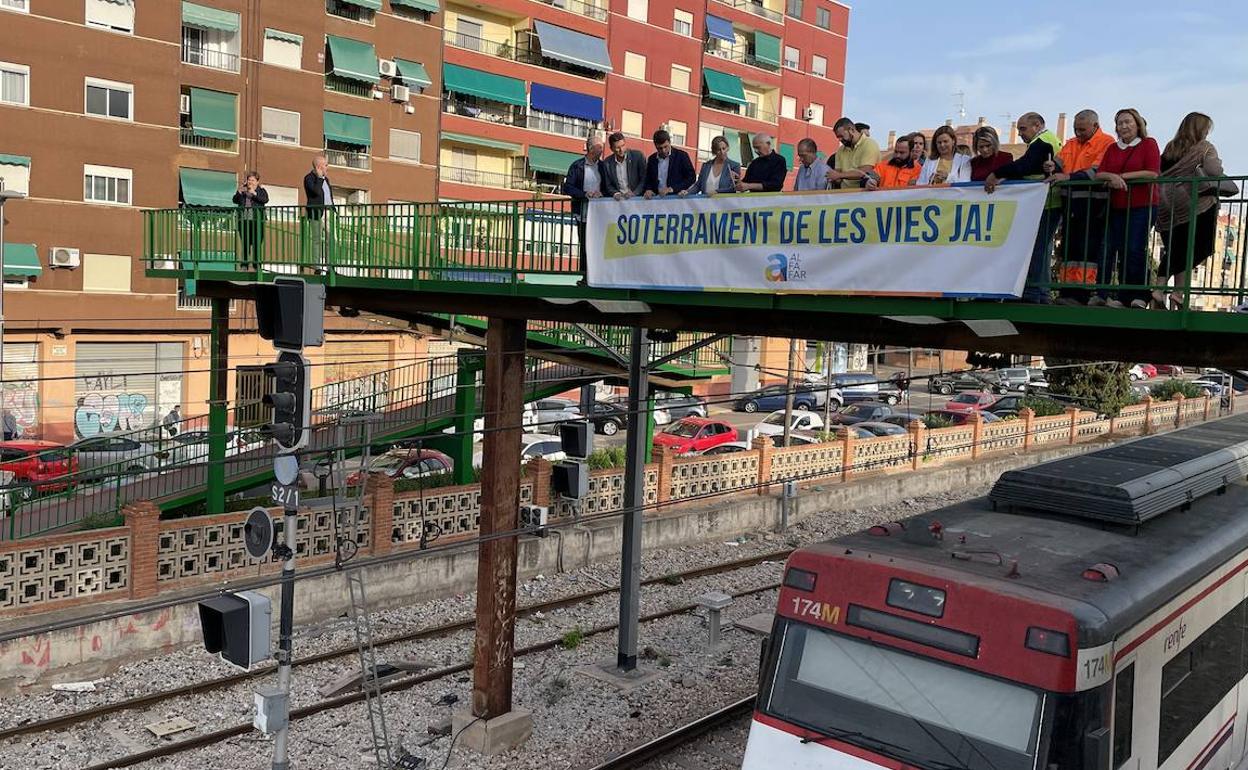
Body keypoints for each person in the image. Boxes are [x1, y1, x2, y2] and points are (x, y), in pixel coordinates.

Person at [984, 112, 1063, 304]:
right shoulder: (1047, 140)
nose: (1019, 133)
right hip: (1044, 201)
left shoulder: (1042, 141)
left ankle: (1036, 293)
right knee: (1041, 247)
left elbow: (1025, 166)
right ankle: (1038, 292)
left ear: (1037, 125)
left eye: (1022, 128)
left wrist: (997, 173)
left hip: (1046, 202)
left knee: (1039, 248)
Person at [1155, 112, 1224, 309]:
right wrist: (1219, 164)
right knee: (1203, 246)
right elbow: (1214, 171)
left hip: (1167, 203)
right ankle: (1172, 292)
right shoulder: (1205, 148)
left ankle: (1166, 291)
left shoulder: (1170, 147)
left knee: (1176, 248)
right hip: (1195, 203)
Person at [1046, 110, 1115, 305]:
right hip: (1071, 203)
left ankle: (1082, 294)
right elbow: (1058, 163)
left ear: (1095, 126)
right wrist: (1051, 166)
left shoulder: (1106, 142)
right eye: (1076, 128)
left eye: (1082, 129)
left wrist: (1067, 177)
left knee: (1087, 250)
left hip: (1094, 203)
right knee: (1069, 249)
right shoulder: (1070, 143)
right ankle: (1067, 292)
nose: (1078, 133)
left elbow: (1096, 171)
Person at [1094, 108, 1160, 308]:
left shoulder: (1148, 144)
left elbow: (1152, 173)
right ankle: (1123, 296)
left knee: (1135, 248)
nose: (1123, 126)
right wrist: (1111, 177)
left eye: (1127, 122)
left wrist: (1121, 177)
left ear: (1137, 123)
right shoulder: (1113, 148)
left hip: (1142, 204)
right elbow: (1100, 173)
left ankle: (1139, 294)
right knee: (1120, 249)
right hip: (1118, 205)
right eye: (1120, 123)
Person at [563, 134, 606, 257]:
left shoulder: (603, 167)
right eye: (599, 147)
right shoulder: (577, 166)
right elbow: (568, 187)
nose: (602, 150)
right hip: (582, 212)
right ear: (591, 149)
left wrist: (602, 193)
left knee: (598, 244)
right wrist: (584, 194)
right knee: (584, 245)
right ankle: (584, 274)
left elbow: (608, 186)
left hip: (599, 212)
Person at [826, 118, 880, 189]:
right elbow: (837, 176)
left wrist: (839, 175)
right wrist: (831, 176)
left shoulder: (870, 144)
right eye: (838, 137)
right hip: (844, 194)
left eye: (841, 136)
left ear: (851, 130)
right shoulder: (840, 150)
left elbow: (865, 172)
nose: (839, 140)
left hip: (865, 193)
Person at [643, 129, 695, 198]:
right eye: (660, 148)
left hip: (675, 198)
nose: (663, 150)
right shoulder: (652, 159)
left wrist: (673, 189)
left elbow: (691, 178)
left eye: (665, 147)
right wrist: (649, 190)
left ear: (670, 142)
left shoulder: (681, 156)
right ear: (655, 145)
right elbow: (648, 179)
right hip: (656, 199)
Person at [233, 171, 268, 270]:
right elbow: (234, 200)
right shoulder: (243, 191)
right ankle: (244, 264)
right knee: (245, 242)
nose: (250, 182)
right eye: (249, 180)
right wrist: (239, 191)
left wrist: (254, 193)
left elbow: (265, 200)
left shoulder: (261, 191)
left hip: (257, 220)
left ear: (257, 182)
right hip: (244, 220)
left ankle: (256, 265)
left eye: (253, 180)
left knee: (257, 242)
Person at [302, 155, 332, 268]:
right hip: (316, 212)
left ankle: (330, 265)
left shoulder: (326, 179)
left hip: (328, 212)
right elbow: (315, 192)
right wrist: (319, 178)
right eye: (325, 165)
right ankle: (317, 265)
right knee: (317, 239)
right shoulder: (309, 178)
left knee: (331, 239)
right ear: (319, 166)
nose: (327, 167)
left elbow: (329, 195)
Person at [601, 132, 646, 200]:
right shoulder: (607, 163)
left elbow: (644, 179)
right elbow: (608, 184)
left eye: (623, 145)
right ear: (611, 149)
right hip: (619, 201)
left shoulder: (637, 156)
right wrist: (615, 193)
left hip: (638, 199)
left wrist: (634, 193)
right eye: (617, 148)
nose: (621, 150)